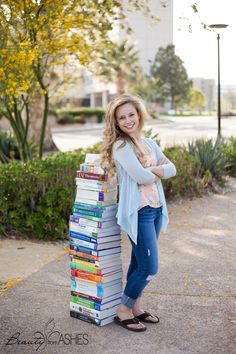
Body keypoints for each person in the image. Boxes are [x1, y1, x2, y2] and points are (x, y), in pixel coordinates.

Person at [101, 94, 176, 332]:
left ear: (139, 114)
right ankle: (123, 310)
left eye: (131, 114)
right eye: (121, 117)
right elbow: (142, 177)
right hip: (139, 212)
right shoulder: (121, 146)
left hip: (155, 209)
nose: (127, 120)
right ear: (116, 122)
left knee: (138, 262)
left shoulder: (148, 142)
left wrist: (153, 169)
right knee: (149, 267)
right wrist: (158, 170)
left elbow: (172, 168)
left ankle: (136, 306)